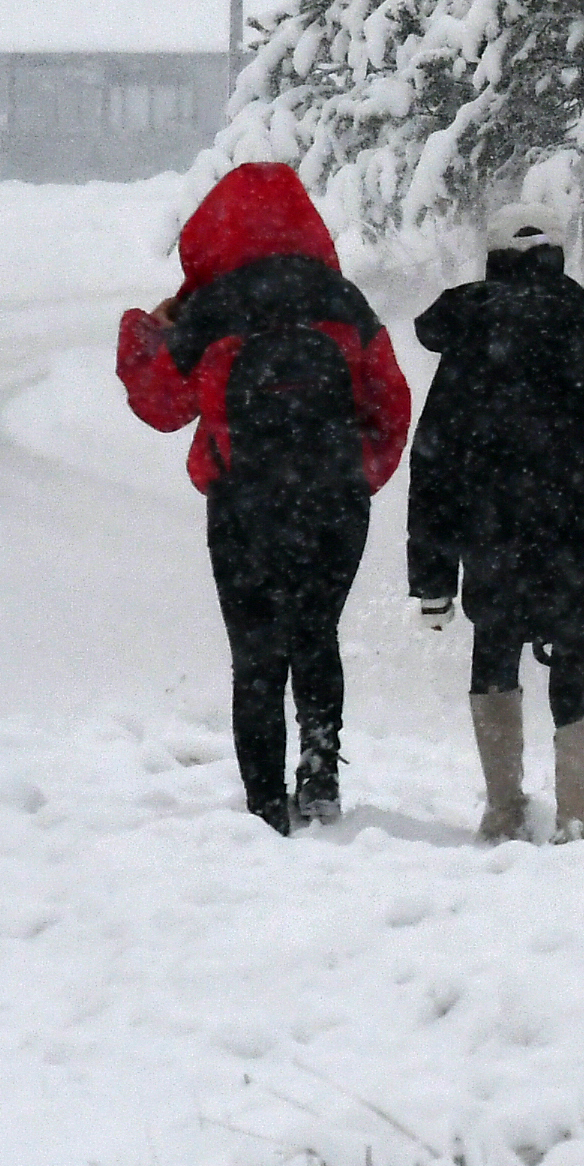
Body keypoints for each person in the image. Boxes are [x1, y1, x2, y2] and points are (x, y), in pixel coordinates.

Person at [118, 164, 410, 835]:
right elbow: (390, 405)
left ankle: (263, 806)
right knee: (315, 633)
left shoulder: (213, 311)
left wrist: (147, 329)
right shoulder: (343, 303)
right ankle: (320, 772)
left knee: (256, 655)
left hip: (245, 504)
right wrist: (355, 472)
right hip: (336, 504)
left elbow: (159, 405)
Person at [407, 204, 584, 844]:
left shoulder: (471, 345)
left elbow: (434, 468)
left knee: (494, 666)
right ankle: (575, 826)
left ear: (494, 260)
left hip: (496, 546)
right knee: (578, 692)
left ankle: (504, 811)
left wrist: (432, 581)